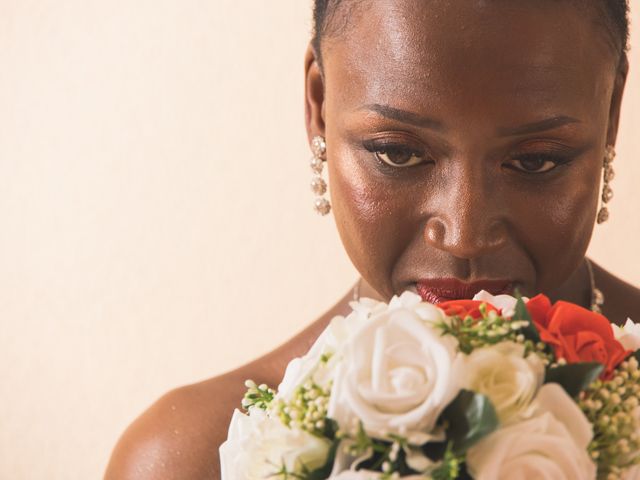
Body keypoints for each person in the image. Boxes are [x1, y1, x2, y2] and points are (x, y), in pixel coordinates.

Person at [104, 1, 640, 478]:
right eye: (397, 153)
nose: (464, 234)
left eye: (535, 160)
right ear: (318, 103)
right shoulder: (190, 460)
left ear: (612, 110)